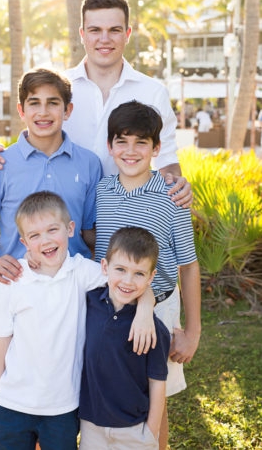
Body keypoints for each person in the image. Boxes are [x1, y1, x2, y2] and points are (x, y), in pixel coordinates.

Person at [0, 68, 154, 378]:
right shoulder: (1, 163)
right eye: (34, 103)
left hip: (74, 289)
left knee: (69, 378)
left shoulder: (89, 163)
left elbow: (92, 232)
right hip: (16, 285)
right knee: (6, 377)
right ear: (21, 110)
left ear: (67, 110)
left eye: (53, 103)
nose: (43, 112)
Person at [0, 0, 192, 208]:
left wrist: (177, 184)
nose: (104, 39)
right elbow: (35, 136)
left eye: (114, 30)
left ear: (127, 34)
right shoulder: (58, 89)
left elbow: (165, 159)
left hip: (127, 216)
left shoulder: (153, 92)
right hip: (65, 219)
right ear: (82, 34)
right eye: (95, 30)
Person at [0, 193, 155, 450]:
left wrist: (145, 309)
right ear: (24, 242)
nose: (45, 241)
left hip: (63, 407)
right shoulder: (13, 282)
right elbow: (1, 344)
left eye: (52, 230)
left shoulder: (83, 272)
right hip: (12, 404)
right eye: (35, 236)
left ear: (70, 229)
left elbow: (128, 283)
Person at [94, 101, 201, 449]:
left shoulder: (172, 196)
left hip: (160, 309)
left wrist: (193, 331)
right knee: (109, 388)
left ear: (156, 148)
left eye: (142, 142)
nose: (130, 151)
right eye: (122, 141)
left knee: (155, 398)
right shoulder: (102, 192)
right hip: (110, 306)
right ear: (110, 146)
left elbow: (188, 264)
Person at [79, 227, 170, 450]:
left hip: (134, 431)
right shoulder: (87, 304)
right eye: (120, 269)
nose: (128, 281)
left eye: (139, 273)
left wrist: (151, 432)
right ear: (104, 267)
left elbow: (157, 384)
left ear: (151, 277)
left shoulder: (153, 329)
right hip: (91, 426)